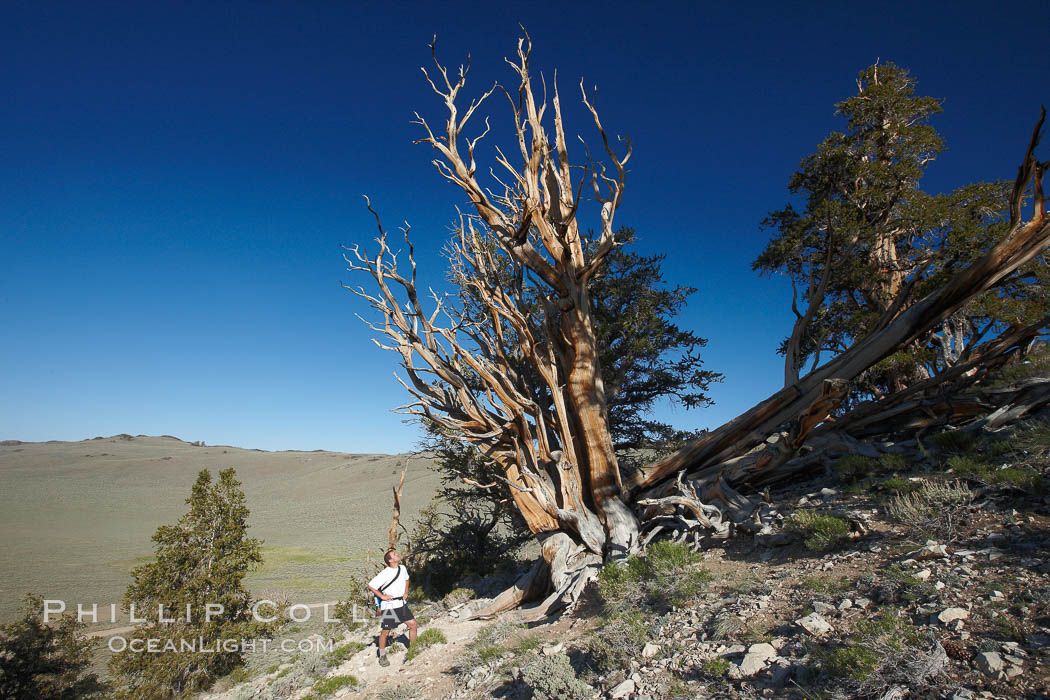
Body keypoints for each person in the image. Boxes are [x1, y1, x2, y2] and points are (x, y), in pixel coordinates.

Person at [366, 550, 417, 666]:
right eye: (394, 554)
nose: (397, 554)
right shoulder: (385, 573)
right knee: (386, 632)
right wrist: (382, 596)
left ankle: (413, 649)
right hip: (389, 607)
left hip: (400, 603)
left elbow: (406, 579)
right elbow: (371, 586)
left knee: (413, 624)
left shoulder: (402, 568)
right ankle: (382, 655)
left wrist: (406, 592)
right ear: (390, 560)